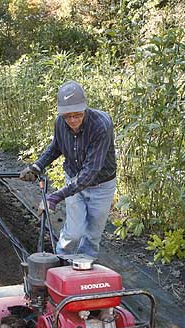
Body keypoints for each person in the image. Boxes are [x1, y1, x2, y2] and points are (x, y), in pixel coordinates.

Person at [20, 80, 116, 259]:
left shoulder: (101, 125)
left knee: (92, 236)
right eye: (67, 116)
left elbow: (90, 172)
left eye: (77, 115)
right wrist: (37, 166)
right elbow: (56, 146)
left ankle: (83, 271)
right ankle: (60, 262)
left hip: (101, 185)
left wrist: (55, 197)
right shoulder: (60, 123)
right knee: (74, 232)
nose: (72, 121)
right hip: (73, 180)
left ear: (85, 108)